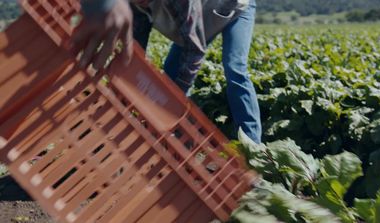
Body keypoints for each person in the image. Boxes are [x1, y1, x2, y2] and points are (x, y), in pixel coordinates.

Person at [72, 0, 262, 143]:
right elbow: (134, 52)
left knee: (234, 67)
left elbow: (195, 51)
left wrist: (176, 100)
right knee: (169, 79)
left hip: (235, 8)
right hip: (199, 21)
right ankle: (168, 140)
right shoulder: (132, 6)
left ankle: (252, 145)